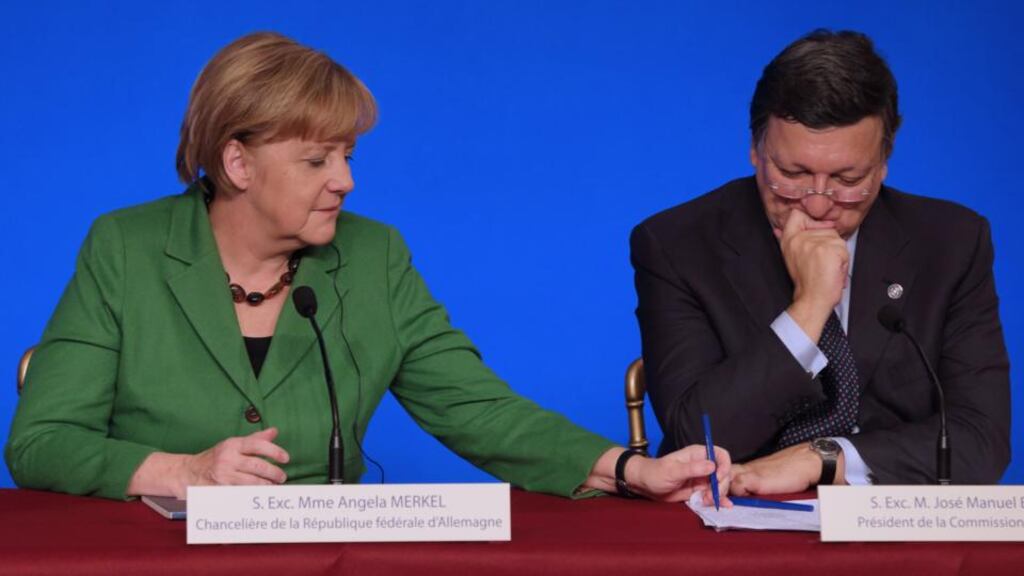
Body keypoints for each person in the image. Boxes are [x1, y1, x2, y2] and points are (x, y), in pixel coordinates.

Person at [6, 32, 729, 503]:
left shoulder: (375, 255)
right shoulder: (125, 248)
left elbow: (479, 410)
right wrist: (183, 472)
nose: (345, 181)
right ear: (237, 163)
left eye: (349, 155)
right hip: (154, 556)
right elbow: (42, 444)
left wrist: (631, 470)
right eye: (318, 159)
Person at [631, 30, 1009, 492]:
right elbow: (698, 439)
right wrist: (808, 308)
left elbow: (981, 440)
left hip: (891, 528)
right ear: (755, 151)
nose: (816, 203)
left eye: (848, 179)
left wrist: (824, 459)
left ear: (884, 161)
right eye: (792, 175)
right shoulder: (678, 244)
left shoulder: (951, 242)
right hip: (732, 524)